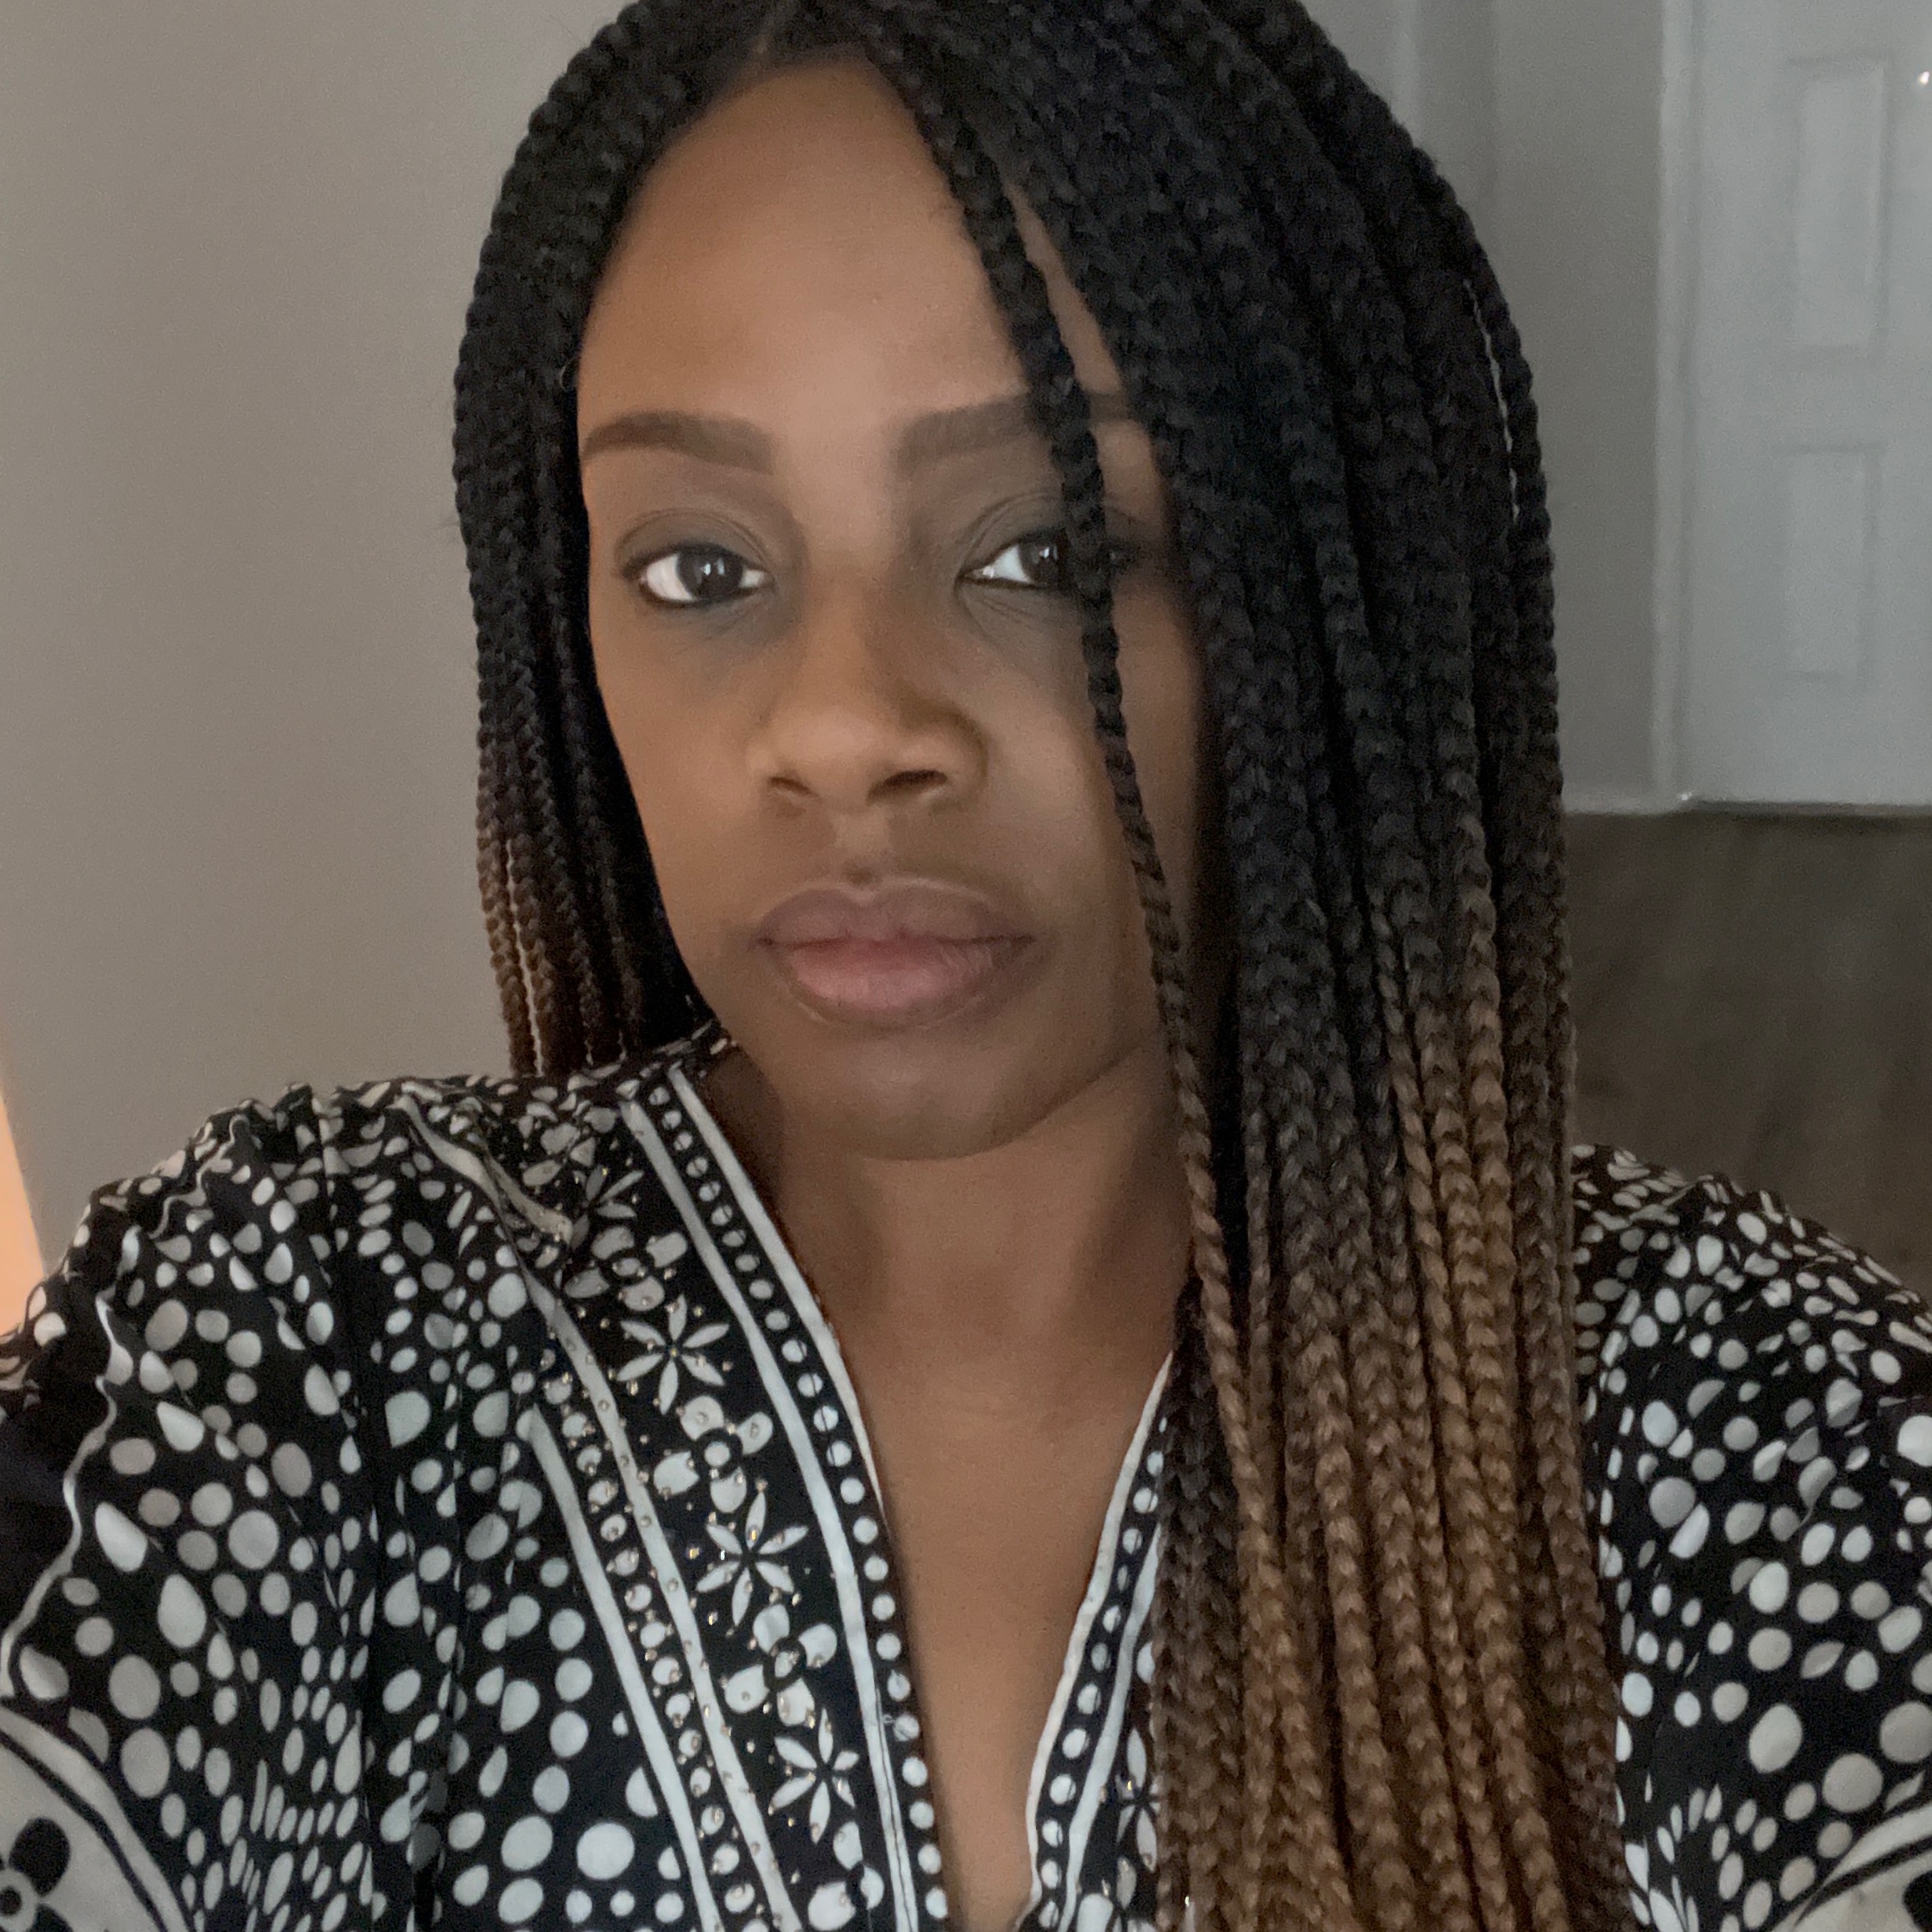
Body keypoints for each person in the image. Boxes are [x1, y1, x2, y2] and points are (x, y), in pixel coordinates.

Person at [0, 3, 1925, 1929]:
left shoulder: (1747, 1436)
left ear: (1318, 596)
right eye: (698, 568)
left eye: (1053, 551)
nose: (845, 727)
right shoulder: (303, 1320)